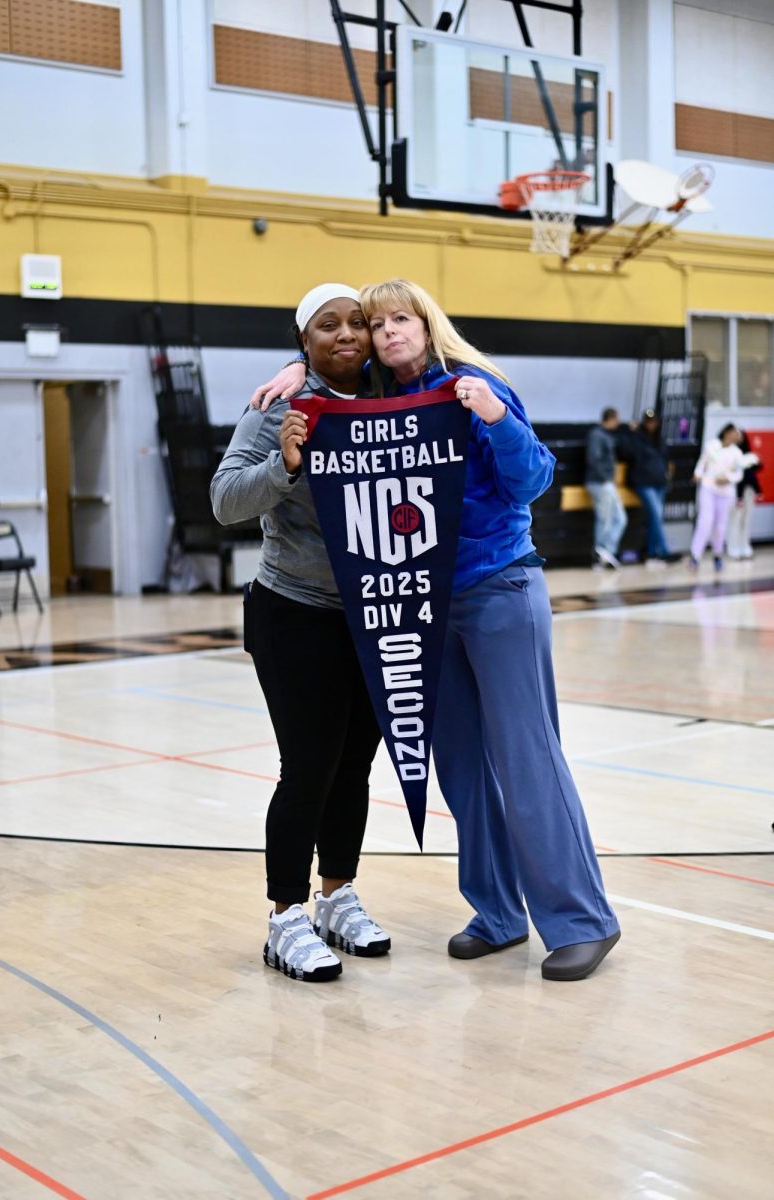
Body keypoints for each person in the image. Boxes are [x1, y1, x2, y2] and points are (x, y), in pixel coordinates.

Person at [253, 280, 621, 981]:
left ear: (427, 325)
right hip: (424, 606)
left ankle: (581, 920)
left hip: (499, 589)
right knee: (457, 766)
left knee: (525, 758)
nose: (386, 331)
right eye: (376, 321)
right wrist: (294, 370)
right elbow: (325, 387)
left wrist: (495, 419)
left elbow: (532, 479)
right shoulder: (383, 398)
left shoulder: (473, 384)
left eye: (400, 318)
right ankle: (498, 913)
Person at [210, 284, 390, 983]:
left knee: (355, 767)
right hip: (295, 612)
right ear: (303, 341)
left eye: (357, 322)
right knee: (308, 766)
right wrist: (283, 465)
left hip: (377, 615)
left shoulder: (394, 400)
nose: (345, 334)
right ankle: (284, 916)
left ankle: (336, 896)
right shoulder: (277, 405)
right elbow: (224, 501)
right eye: (327, 325)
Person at [690, 423, 757, 570]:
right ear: (727, 432)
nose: (737, 436)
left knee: (720, 525)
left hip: (725, 493)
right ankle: (695, 556)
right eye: (734, 432)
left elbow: (738, 474)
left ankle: (718, 554)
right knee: (705, 521)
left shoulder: (737, 453)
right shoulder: (712, 446)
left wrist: (728, 478)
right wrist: (697, 474)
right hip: (709, 488)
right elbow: (702, 463)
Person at [622, 409, 672, 567]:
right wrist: (629, 431)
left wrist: (667, 477)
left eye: (654, 421)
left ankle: (651, 553)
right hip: (643, 482)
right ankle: (664, 552)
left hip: (659, 482)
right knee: (656, 515)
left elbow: (666, 459)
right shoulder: (636, 437)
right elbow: (626, 451)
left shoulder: (659, 439)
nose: (651, 424)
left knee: (654, 518)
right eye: (648, 421)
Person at [585, 408, 626, 569]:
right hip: (600, 482)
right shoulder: (597, 435)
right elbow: (593, 459)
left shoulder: (607, 436)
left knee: (619, 518)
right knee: (605, 519)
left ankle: (606, 551)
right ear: (611, 418)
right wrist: (605, 478)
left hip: (606, 482)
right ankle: (600, 552)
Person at [727, 430, 762, 560]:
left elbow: (758, 467)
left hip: (749, 491)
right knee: (735, 519)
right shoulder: (730, 453)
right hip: (736, 492)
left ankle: (745, 546)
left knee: (746, 520)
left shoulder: (749, 454)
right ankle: (733, 547)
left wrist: (753, 460)